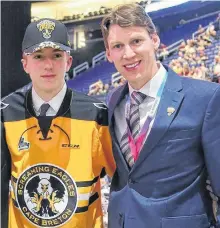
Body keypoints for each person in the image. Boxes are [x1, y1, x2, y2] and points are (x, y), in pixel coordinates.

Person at [101, 3, 220, 228]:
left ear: (154, 40)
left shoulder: (206, 98)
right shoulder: (112, 102)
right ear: (108, 54)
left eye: (136, 41)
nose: (128, 53)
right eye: (118, 46)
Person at [1, 18, 115, 228]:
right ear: (25, 63)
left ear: (68, 62)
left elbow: (119, 182)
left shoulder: (96, 114)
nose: (48, 65)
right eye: (38, 56)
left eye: (56, 55)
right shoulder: (5, 113)